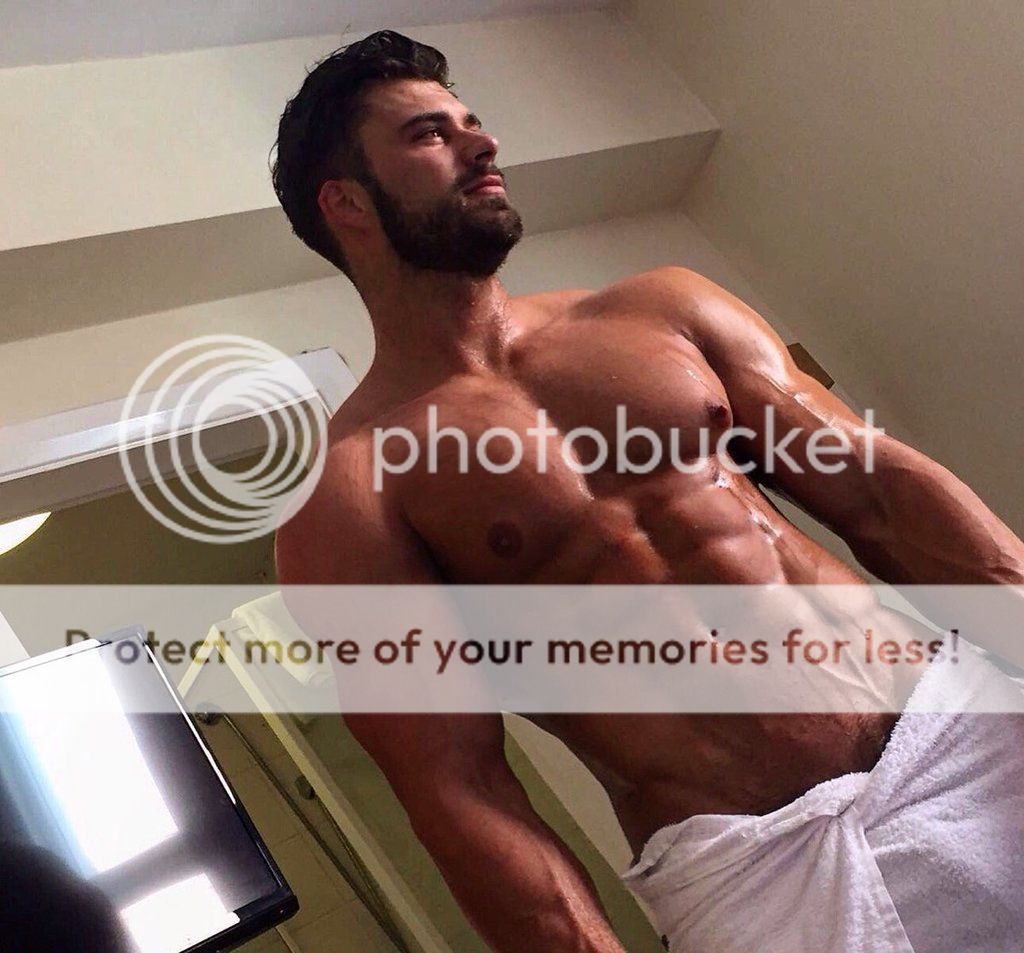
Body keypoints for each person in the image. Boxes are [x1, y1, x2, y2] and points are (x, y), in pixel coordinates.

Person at [271, 30, 1024, 953]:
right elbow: (458, 785)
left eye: (472, 121)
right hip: (763, 875)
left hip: (964, 732)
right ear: (346, 201)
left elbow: (880, 490)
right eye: (429, 134)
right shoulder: (353, 491)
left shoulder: (658, 309)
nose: (483, 143)